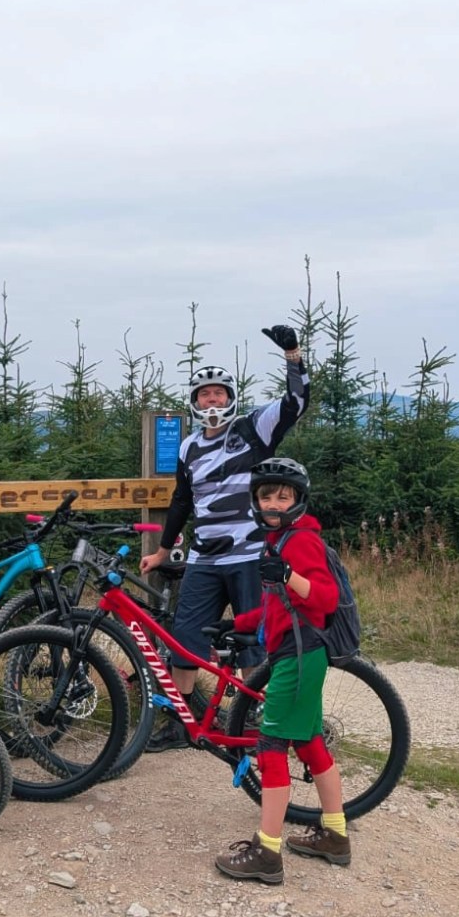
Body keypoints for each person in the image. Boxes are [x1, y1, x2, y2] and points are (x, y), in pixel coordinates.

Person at [138, 324, 309, 751]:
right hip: (203, 559)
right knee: (186, 640)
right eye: (204, 394)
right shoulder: (188, 447)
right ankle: (182, 722)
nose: (211, 400)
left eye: (219, 393)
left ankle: (255, 723)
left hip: (251, 554)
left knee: (255, 643)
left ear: (230, 398)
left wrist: (293, 355)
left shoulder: (253, 430)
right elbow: (181, 501)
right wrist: (162, 553)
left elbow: (296, 404)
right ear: (194, 402)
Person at [213, 456, 349, 884]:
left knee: (271, 748)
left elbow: (323, 599)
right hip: (298, 653)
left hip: (300, 656)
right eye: (266, 495)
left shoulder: (299, 543)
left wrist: (290, 575)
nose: (273, 502)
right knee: (309, 745)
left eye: (282, 495)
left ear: (297, 500)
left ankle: (267, 854)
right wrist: (236, 623)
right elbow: (277, 608)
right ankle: (335, 837)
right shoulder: (279, 541)